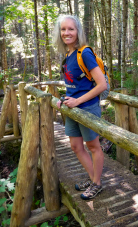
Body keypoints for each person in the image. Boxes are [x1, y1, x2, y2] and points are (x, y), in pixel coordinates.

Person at [53, 15, 107, 200]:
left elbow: (102, 85)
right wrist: (66, 99)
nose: (67, 33)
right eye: (63, 29)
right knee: (76, 146)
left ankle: (97, 183)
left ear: (78, 32)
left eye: (71, 29)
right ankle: (93, 179)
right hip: (73, 109)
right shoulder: (68, 55)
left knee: (93, 146)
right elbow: (74, 84)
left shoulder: (84, 53)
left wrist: (77, 101)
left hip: (88, 108)